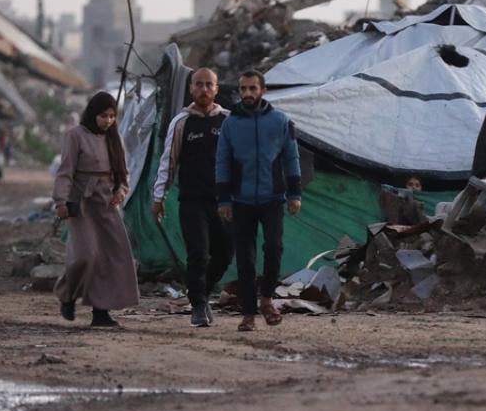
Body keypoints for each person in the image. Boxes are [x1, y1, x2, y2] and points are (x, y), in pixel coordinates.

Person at [215, 70, 301, 332]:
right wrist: (224, 199)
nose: (248, 93)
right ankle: (248, 313)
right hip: (241, 200)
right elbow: (222, 161)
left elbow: (291, 157)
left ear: (263, 91)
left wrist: (295, 194)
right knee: (245, 258)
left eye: (253, 88)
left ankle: (267, 299)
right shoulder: (230, 124)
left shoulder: (280, 121)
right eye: (243, 89)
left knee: (274, 248)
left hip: (272, 198)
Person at [152, 67, 232, 328]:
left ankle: (202, 293)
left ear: (217, 89)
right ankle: (197, 306)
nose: (204, 89)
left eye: (209, 85)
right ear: (190, 88)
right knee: (198, 253)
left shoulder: (229, 121)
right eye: (199, 84)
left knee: (225, 254)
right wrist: (159, 197)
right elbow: (169, 161)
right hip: (192, 200)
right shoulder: (181, 122)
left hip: (223, 201)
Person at [52, 91, 140, 327]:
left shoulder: (114, 138)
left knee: (110, 257)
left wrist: (121, 191)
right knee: (85, 255)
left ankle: (101, 312)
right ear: (93, 114)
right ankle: (67, 294)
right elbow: (66, 171)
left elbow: (123, 173)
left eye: (112, 116)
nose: (108, 121)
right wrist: (61, 201)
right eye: (103, 116)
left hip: (106, 203)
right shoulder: (75, 136)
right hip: (81, 202)